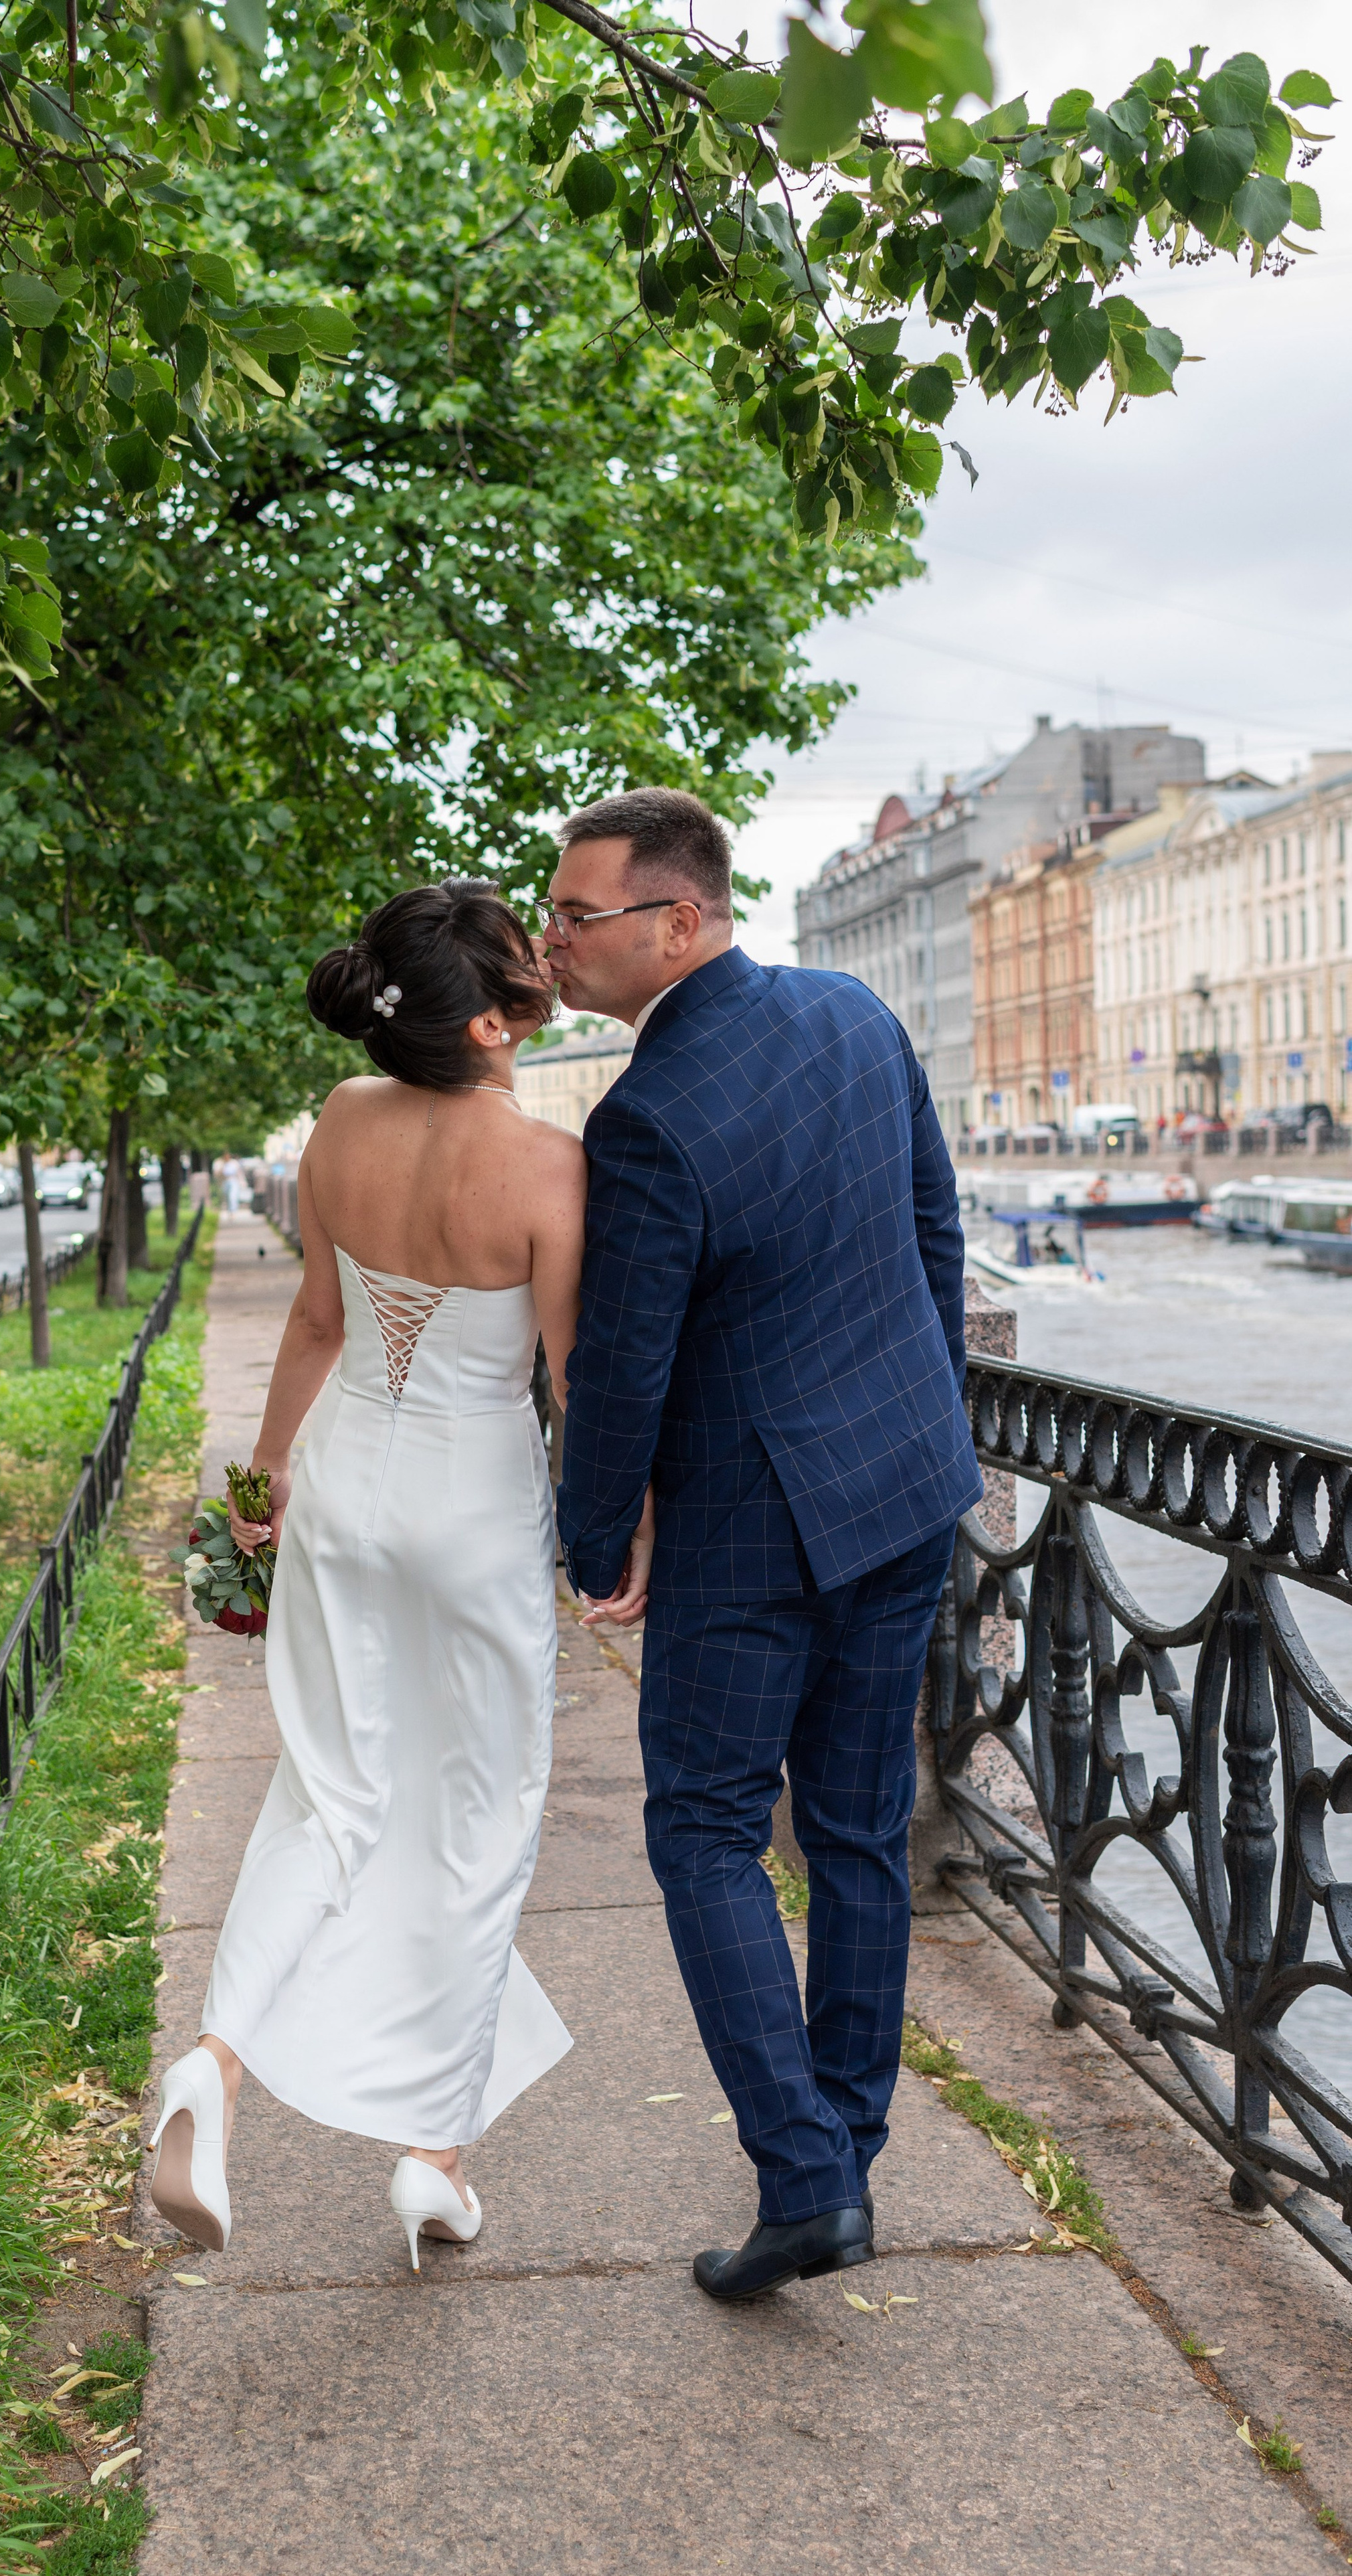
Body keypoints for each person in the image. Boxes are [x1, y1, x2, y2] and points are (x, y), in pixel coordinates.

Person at [547, 787, 983, 2304]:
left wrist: (592, 1541)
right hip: (906, 1488)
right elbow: (934, 1233)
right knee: (856, 1832)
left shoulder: (648, 1117)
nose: (549, 942)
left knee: (704, 1830)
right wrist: (937, 1424)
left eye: (575, 915)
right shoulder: (854, 1017)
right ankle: (839, 2156)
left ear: (678, 918)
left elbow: (622, 1365)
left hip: (747, 1529)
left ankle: (806, 2177)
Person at [147, 882, 584, 2268]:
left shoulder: (339, 1118)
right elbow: (571, 1384)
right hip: (470, 1502)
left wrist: (265, 1482)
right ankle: (431, 2154)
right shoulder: (548, 1168)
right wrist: (630, 1534)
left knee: (329, 1791)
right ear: (493, 1016)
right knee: (478, 1818)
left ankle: (209, 2065)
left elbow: (321, 1318)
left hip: (343, 1478)